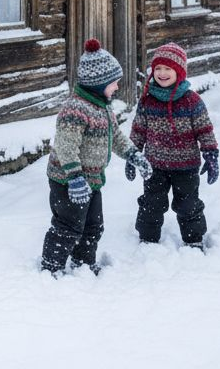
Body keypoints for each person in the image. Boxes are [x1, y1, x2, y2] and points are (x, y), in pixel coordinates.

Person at [41, 38, 152, 275]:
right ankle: (51, 268)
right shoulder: (76, 109)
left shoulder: (102, 106)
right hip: (67, 180)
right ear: (98, 83)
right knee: (68, 225)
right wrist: (74, 178)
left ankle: (83, 263)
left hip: (91, 180)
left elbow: (117, 138)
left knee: (93, 226)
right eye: (114, 83)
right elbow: (66, 146)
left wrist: (134, 155)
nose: (116, 87)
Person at [127, 42, 219, 250]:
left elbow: (205, 130)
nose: (162, 73)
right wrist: (133, 155)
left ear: (178, 71)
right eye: (158, 68)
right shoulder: (147, 100)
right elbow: (139, 129)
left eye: (167, 68)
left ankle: (194, 239)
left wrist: (211, 154)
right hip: (154, 165)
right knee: (152, 203)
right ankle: (148, 240)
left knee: (188, 205)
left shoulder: (192, 101)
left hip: (186, 166)